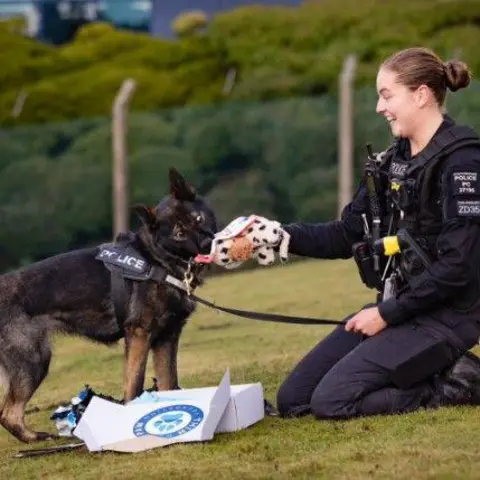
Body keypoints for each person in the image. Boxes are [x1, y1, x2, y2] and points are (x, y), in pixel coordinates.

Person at [269, 47, 480, 419]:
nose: (380, 107)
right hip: (402, 307)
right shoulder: (394, 160)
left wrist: (386, 314)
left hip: (447, 317)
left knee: (332, 402)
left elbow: (458, 266)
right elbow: (349, 233)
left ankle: (457, 384)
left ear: (421, 94)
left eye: (386, 95)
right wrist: (277, 236)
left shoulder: (462, 161)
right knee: (294, 401)